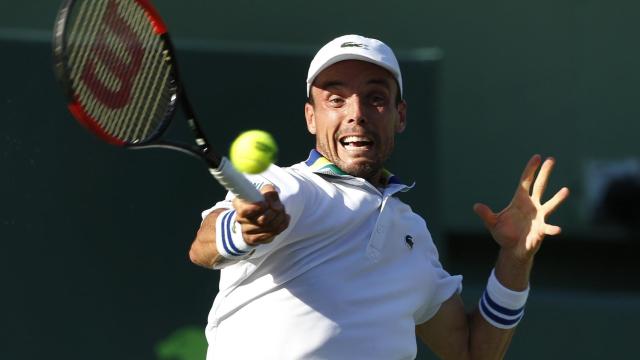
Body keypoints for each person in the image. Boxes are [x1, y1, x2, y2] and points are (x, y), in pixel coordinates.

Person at [189, 34, 570, 359]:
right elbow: (204, 246)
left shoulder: (413, 235)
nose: (356, 113)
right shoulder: (288, 186)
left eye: (374, 98)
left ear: (399, 116)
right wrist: (241, 230)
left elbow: (472, 351)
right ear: (311, 117)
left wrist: (515, 258)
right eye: (335, 100)